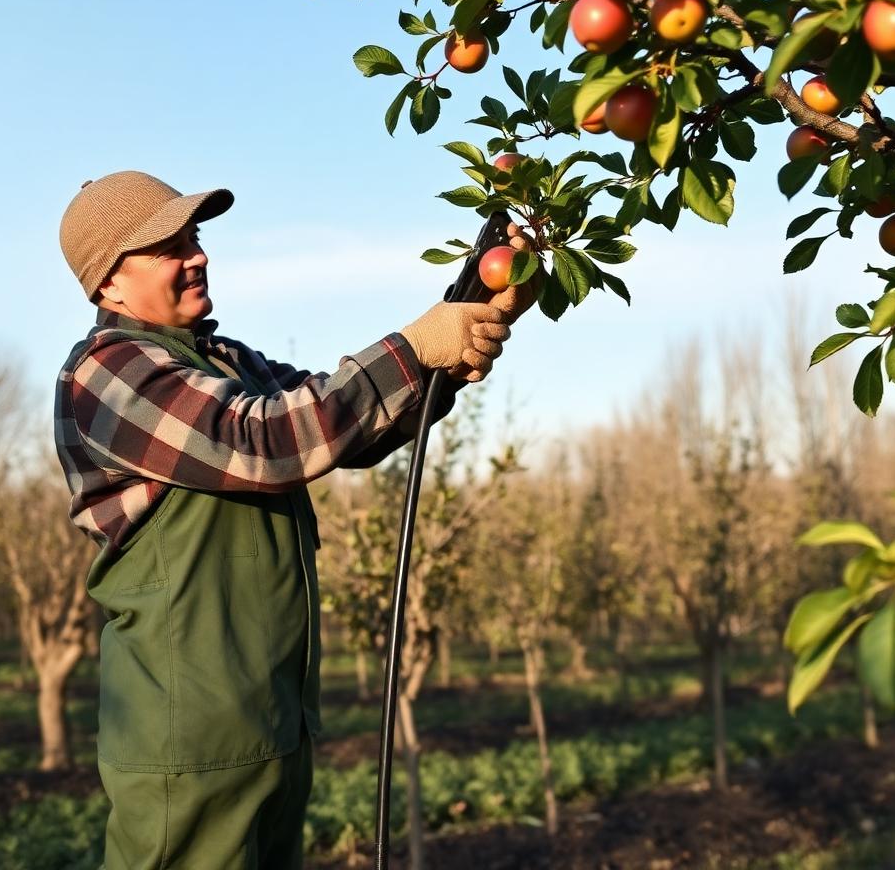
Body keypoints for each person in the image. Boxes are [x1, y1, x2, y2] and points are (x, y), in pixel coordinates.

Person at [53, 170, 534, 869]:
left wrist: (472, 316)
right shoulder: (108, 372)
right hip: (189, 738)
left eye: (194, 237)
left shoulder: (225, 360)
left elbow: (346, 427)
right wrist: (414, 347)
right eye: (167, 247)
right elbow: (263, 442)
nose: (198, 255)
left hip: (270, 717)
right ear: (109, 286)